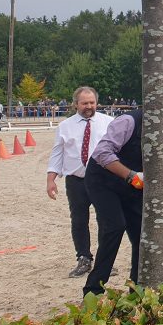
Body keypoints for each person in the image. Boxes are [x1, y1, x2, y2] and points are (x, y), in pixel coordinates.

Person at [82, 86, 163, 296]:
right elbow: (102, 153)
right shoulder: (128, 122)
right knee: (114, 227)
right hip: (104, 181)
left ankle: (136, 290)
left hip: (133, 186)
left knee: (142, 235)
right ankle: (93, 290)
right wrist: (131, 175)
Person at [46, 87, 114, 277]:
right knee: (79, 220)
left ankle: (105, 259)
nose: (89, 107)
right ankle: (83, 258)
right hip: (76, 181)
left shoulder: (109, 123)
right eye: (84, 103)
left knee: (106, 220)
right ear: (76, 104)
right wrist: (51, 179)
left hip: (103, 179)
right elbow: (57, 154)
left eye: (92, 103)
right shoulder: (64, 126)